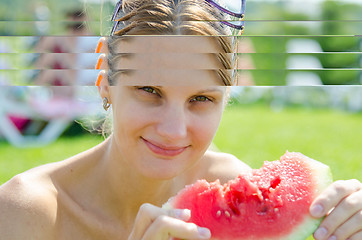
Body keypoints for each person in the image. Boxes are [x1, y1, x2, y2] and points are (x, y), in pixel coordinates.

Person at [0, 0, 361, 240]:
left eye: (201, 99)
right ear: (104, 77)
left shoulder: (235, 188)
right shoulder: (27, 213)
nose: (174, 130)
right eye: (149, 91)